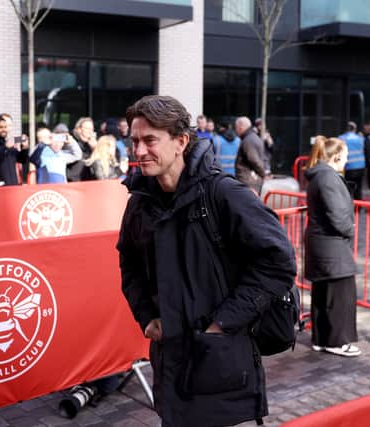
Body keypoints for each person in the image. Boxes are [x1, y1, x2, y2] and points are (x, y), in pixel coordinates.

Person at [117, 95, 296, 426]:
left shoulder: (224, 194)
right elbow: (128, 262)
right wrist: (146, 316)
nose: (139, 151)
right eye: (135, 141)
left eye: (150, 140)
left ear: (180, 141)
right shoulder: (140, 203)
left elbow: (278, 260)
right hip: (170, 363)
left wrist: (222, 323)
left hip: (223, 367)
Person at [304, 136, 361, 357]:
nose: (347, 161)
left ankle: (322, 339)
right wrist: (350, 228)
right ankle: (337, 341)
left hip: (323, 244)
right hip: (331, 246)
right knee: (339, 295)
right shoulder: (327, 178)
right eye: (346, 156)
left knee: (324, 294)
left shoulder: (321, 176)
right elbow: (337, 216)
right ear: (337, 156)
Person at [235, 116, 267, 194]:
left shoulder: (248, 140)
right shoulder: (252, 137)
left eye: (236, 127)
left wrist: (264, 174)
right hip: (251, 180)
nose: (236, 130)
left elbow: (254, 160)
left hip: (248, 181)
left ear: (241, 126)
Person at [339, 121, 366, 200]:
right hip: (361, 166)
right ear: (355, 129)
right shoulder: (361, 138)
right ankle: (359, 207)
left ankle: (350, 206)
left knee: (348, 188)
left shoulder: (341, 138)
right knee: (359, 188)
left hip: (349, 167)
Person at [68, 117, 97, 181]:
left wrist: (95, 149)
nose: (90, 132)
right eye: (87, 129)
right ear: (79, 129)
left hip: (88, 181)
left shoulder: (91, 143)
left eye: (92, 129)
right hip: (73, 181)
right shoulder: (70, 142)